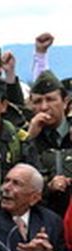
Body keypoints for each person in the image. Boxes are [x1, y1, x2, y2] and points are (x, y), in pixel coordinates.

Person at [23, 71, 71, 215]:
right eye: (38, 101)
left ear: (65, 102)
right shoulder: (25, 136)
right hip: (41, 216)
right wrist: (29, 139)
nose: (44, 107)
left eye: (50, 99)